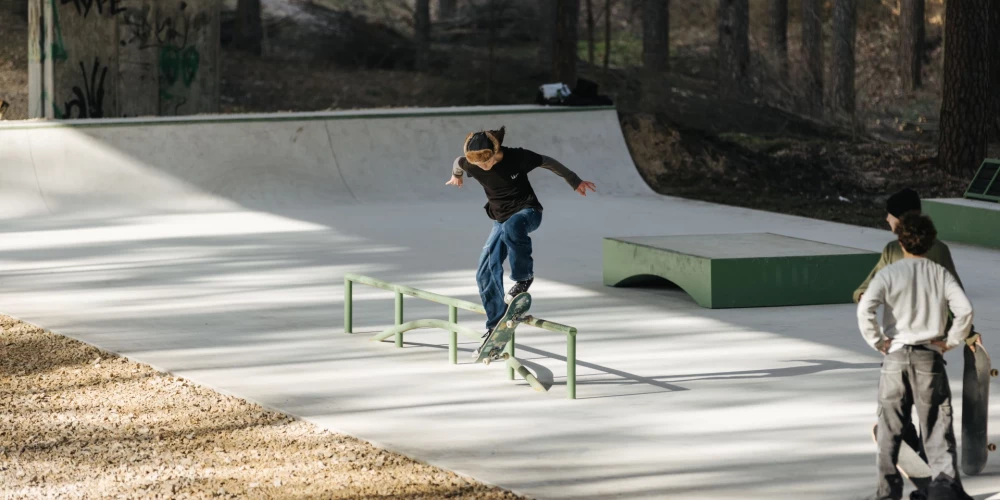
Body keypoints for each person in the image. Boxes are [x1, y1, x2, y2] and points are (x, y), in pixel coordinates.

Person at [445, 126, 596, 355]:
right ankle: (495, 324)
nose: (483, 167)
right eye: (478, 165)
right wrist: (456, 176)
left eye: (487, 162)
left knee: (514, 227)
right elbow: (458, 162)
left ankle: (523, 278)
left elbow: (548, 161)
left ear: (495, 152)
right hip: (500, 221)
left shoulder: (518, 157)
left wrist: (574, 181)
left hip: (528, 213)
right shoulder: (471, 163)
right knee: (485, 271)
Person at [857, 213, 974, 500]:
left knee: (889, 430)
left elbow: (865, 309)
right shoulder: (940, 273)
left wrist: (879, 341)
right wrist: (950, 341)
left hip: (895, 359)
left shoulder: (888, 273)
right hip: (929, 360)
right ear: (931, 241)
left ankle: (887, 493)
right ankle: (944, 488)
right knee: (936, 426)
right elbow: (965, 310)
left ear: (900, 241)